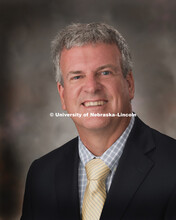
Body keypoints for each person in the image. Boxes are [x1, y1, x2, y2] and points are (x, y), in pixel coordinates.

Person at [21, 23, 176, 220]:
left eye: (104, 73)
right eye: (77, 76)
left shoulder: (172, 166)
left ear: (129, 84)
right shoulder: (41, 175)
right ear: (62, 95)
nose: (92, 87)